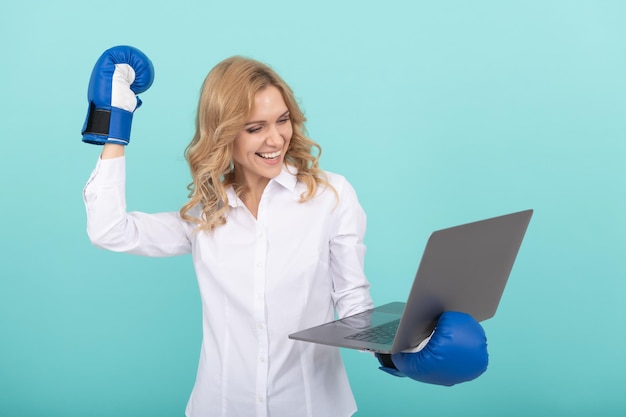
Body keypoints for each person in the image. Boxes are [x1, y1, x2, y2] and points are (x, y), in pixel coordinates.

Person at [81, 46, 488, 417]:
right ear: (224, 132)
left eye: (282, 120)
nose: (275, 139)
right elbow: (110, 230)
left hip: (313, 406)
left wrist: (403, 348)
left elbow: (352, 302)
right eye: (255, 128)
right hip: (220, 406)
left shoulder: (332, 195)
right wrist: (115, 128)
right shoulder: (205, 215)